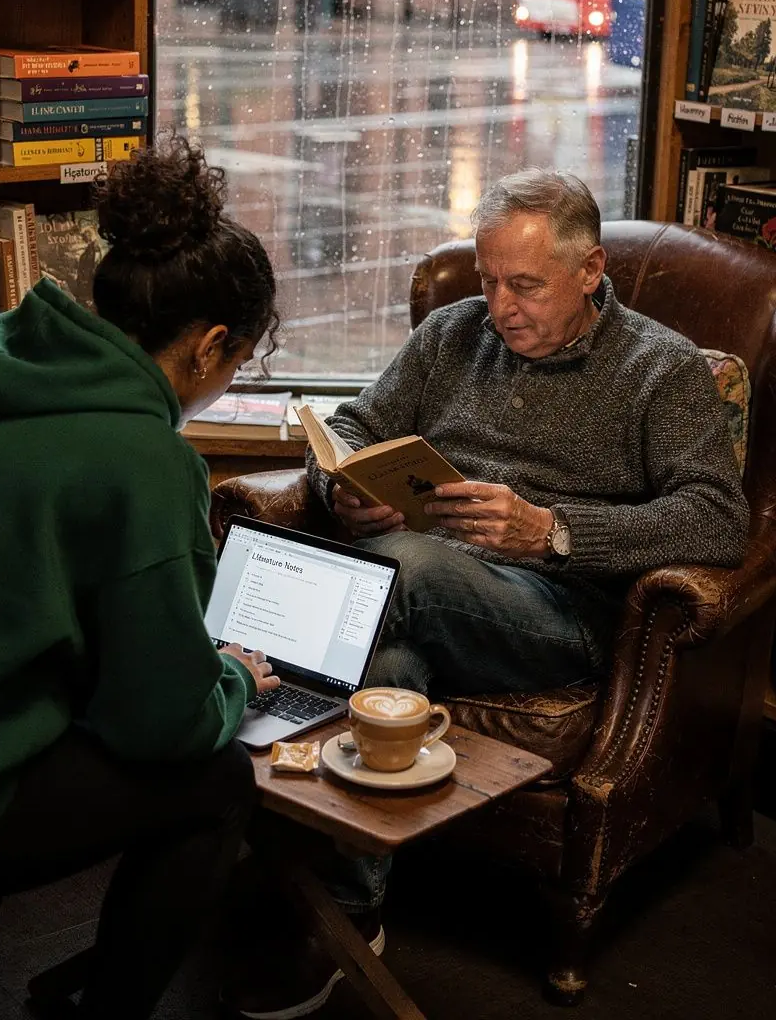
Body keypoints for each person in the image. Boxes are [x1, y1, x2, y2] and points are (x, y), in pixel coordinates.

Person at [241, 168, 749, 1020]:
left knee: (401, 569)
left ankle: (228, 756)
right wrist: (342, 491)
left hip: (561, 613)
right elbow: (359, 425)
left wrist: (553, 531)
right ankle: (346, 909)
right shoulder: (453, 335)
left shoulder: (658, 369)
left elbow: (717, 521)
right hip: (421, 578)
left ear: (590, 272)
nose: (500, 305)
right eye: (487, 279)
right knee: (392, 648)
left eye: (525, 285)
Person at [0, 137, 281, 1020]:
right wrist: (229, 681)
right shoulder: (143, 459)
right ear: (211, 345)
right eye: (239, 362)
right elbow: (159, 723)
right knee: (216, 785)